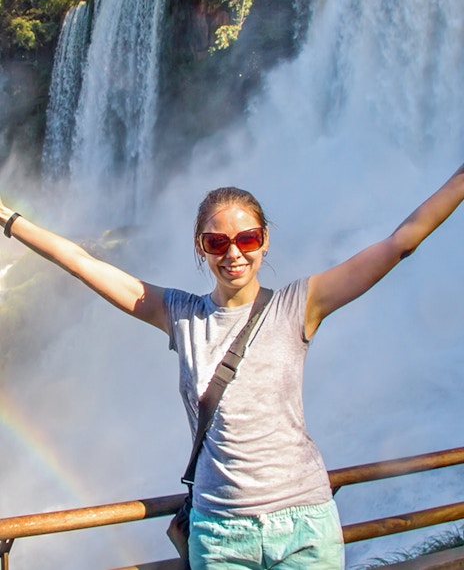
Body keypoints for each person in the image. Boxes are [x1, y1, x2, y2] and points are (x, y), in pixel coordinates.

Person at [1, 162, 463, 570]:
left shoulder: (299, 305)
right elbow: (82, 263)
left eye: (247, 238)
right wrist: (11, 222)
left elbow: (401, 243)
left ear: (264, 243)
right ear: (201, 249)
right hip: (221, 535)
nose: (233, 252)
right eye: (217, 241)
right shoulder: (178, 314)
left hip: (304, 527)